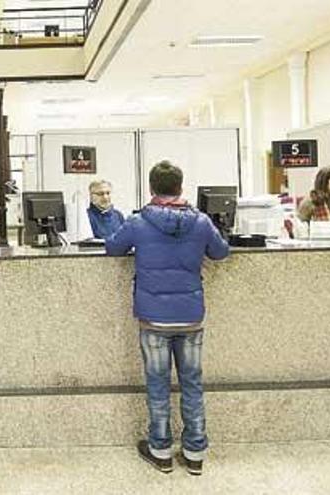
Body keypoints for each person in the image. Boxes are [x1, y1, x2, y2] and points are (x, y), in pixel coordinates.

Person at [105, 161, 229, 475]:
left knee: (158, 384)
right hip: (190, 316)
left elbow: (113, 248)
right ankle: (194, 452)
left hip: (154, 318)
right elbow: (220, 252)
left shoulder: (138, 222)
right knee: (192, 383)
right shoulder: (200, 222)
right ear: (181, 187)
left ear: (151, 188)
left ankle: (160, 450)